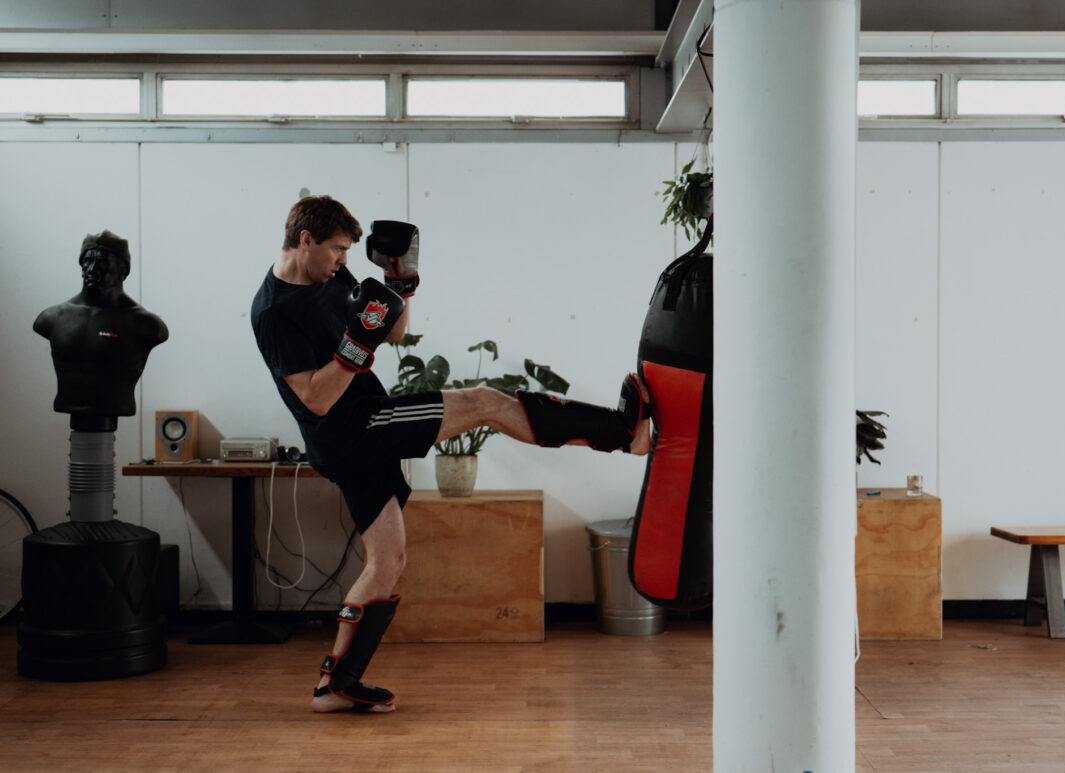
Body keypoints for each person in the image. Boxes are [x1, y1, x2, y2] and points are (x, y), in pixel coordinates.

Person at [251, 195, 650, 714]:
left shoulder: (330, 276)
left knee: (388, 561)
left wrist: (400, 282)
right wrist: (355, 348)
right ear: (305, 241)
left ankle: (335, 686)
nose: (344, 260)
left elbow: (392, 330)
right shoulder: (273, 311)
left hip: (360, 428)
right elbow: (316, 398)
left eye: (348, 250)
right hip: (351, 428)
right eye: (337, 249)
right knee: (484, 402)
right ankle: (623, 434)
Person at [34, 230, 169, 427]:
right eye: (87, 261)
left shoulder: (145, 324)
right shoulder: (53, 317)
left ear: (122, 271)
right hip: (68, 405)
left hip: (114, 408)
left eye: (103, 262)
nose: (92, 269)